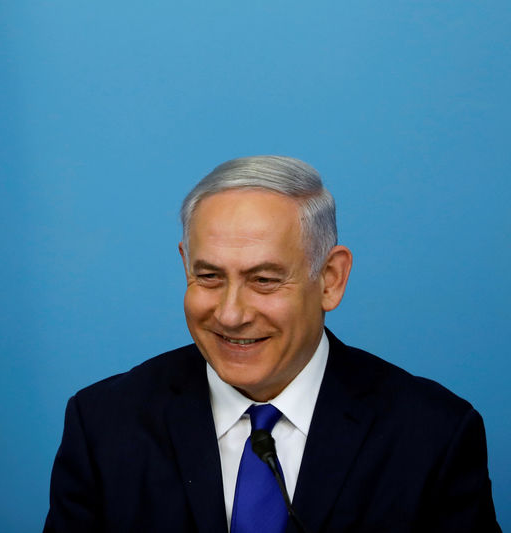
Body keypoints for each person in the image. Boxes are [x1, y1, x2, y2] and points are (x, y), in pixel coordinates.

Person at [44, 156, 500, 532]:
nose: (230, 313)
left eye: (263, 280)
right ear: (185, 265)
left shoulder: (433, 434)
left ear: (331, 280)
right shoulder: (104, 424)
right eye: (209, 277)